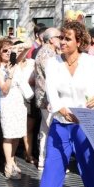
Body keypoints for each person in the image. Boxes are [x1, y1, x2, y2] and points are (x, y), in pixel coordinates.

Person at [21, 21, 94, 187]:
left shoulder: (91, 62)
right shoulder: (53, 63)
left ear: (79, 41)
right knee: (51, 172)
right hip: (61, 124)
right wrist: (63, 110)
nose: (62, 42)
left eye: (67, 38)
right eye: (61, 38)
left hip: (86, 124)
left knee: (92, 169)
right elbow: (51, 92)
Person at [0, 38, 27, 178]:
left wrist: (17, 47)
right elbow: (5, 89)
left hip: (19, 102)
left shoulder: (16, 61)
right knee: (8, 135)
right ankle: (8, 164)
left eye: (9, 50)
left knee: (17, 133)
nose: (8, 53)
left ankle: (12, 161)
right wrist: (10, 74)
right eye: (4, 51)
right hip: (7, 102)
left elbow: (28, 46)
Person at [34, 27, 61, 171]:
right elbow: (53, 77)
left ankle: (42, 161)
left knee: (45, 130)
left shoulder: (43, 51)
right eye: (59, 37)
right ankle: (49, 161)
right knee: (52, 129)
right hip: (48, 98)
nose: (62, 39)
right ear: (51, 39)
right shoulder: (48, 54)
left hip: (44, 98)